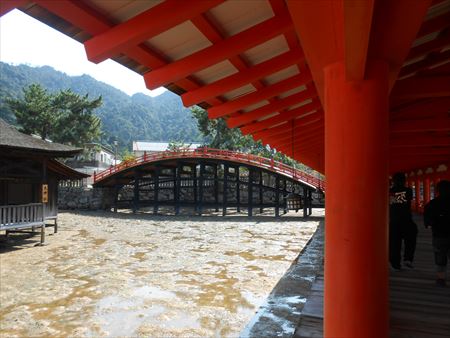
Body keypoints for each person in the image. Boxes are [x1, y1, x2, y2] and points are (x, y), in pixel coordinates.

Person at [424, 180, 450, 287]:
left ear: (438, 191)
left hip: (439, 235)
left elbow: (428, 222)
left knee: (440, 257)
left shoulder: (432, 204)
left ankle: (441, 279)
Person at [389, 172, 417, 271]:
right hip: (407, 220)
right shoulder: (408, 191)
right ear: (404, 181)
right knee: (411, 240)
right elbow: (407, 199)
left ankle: (395, 263)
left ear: (393, 181)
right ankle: (408, 258)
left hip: (393, 221)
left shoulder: (390, 191)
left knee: (394, 243)